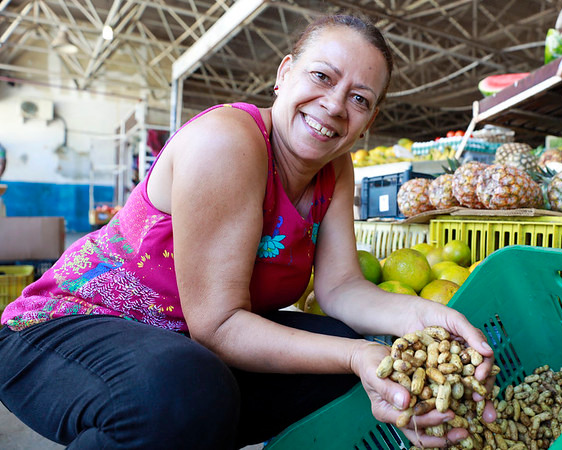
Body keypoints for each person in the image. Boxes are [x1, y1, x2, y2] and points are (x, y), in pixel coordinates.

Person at [0, 14, 495, 450]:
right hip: (63, 332)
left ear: (369, 120)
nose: (334, 106)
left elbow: (342, 288)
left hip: (183, 347)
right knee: (186, 394)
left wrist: (424, 318)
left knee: (349, 361)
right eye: (321, 77)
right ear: (284, 75)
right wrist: (358, 355)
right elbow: (217, 326)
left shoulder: (335, 168)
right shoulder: (228, 142)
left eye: (359, 99)